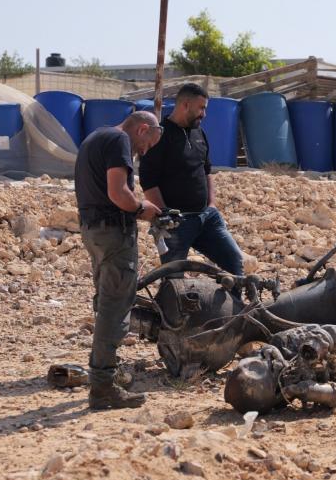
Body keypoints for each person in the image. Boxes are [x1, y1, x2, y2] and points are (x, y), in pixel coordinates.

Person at [76, 111, 163, 410]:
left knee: (105, 301)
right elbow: (118, 192)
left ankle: (104, 373)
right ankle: (102, 386)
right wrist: (142, 208)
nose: (145, 151)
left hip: (93, 231)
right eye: (148, 144)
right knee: (115, 307)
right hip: (113, 233)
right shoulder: (118, 141)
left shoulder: (96, 136)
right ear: (142, 129)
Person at [139, 83, 244, 276]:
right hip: (177, 224)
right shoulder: (159, 136)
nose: (204, 114)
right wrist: (166, 214)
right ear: (185, 105)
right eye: (201, 108)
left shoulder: (199, 133)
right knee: (174, 277)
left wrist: (211, 204)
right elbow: (148, 181)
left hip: (207, 218)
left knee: (235, 263)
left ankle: (237, 306)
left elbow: (206, 171)